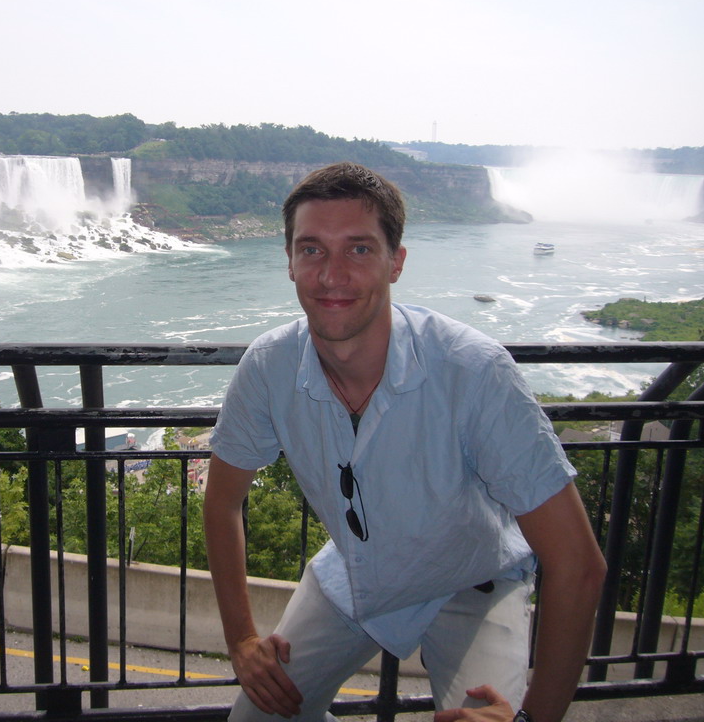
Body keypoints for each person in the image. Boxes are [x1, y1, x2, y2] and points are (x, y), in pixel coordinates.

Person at [203, 162, 606, 722]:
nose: (332, 274)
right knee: (257, 717)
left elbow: (578, 564)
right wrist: (242, 639)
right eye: (313, 249)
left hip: (474, 579)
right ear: (290, 262)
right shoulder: (269, 366)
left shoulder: (473, 370)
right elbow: (222, 501)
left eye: (360, 250)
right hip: (357, 570)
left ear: (397, 262)